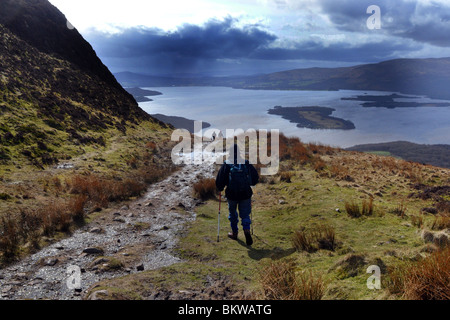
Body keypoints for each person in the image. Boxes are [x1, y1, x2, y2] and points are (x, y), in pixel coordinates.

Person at [216, 144, 259, 246]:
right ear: (239, 152)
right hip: (245, 194)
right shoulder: (245, 163)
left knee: (233, 213)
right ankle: (247, 230)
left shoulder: (227, 164)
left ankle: (234, 233)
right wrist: (251, 184)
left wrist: (220, 188)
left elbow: (219, 180)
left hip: (232, 194)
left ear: (230, 152)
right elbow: (255, 177)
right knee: (245, 214)